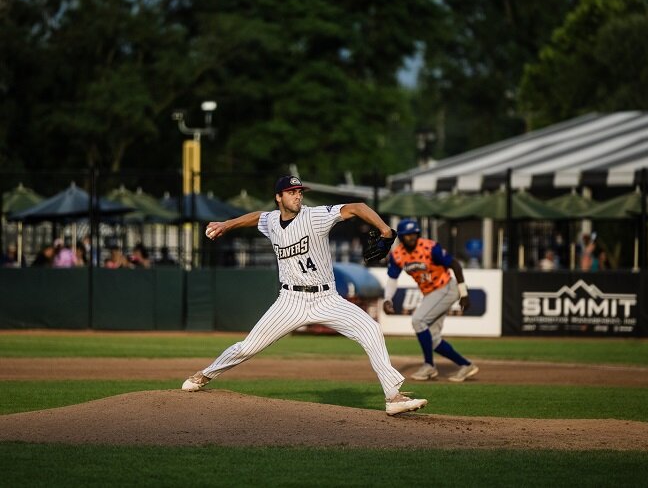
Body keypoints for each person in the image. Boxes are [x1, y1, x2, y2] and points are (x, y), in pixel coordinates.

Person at [181, 175, 428, 416]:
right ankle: (204, 375)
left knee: (371, 330)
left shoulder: (315, 216)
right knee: (247, 347)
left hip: (326, 298)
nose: (297, 196)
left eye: (300, 192)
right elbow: (257, 217)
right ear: (278, 197)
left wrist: (385, 230)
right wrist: (226, 224)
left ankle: (393, 397)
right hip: (290, 300)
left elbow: (358, 207)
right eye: (291, 192)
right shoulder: (271, 221)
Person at [383, 219, 478, 383]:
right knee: (433, 339)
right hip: (430, 293)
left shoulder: (430, 247)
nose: (411, 238)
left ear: (418, 234)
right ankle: (466, 365)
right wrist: (387, 299)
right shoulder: (398, 255)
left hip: (446, 288)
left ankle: (429, 365)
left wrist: (464, 293)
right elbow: (392, 278)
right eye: (407, 235)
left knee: (418, 320)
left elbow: (455, 265)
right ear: (401, 237)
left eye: (414, 234)